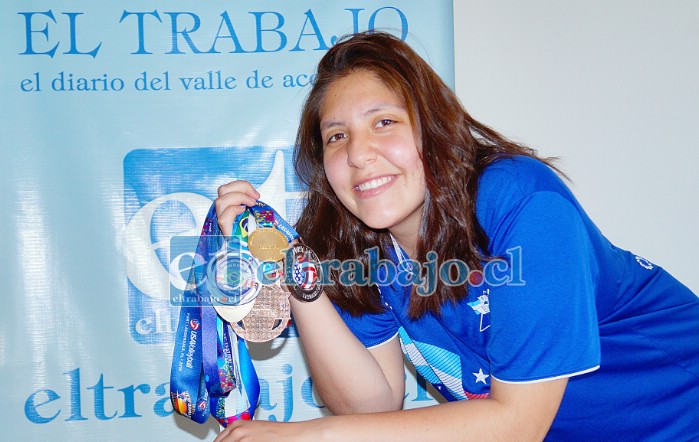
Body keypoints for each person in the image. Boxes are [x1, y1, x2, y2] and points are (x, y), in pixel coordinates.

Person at [213, 31, 699, 441]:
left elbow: (518, 423)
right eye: (336, 136)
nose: (359, 154)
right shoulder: (362, 245)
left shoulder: (520, 201)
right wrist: (294, 270)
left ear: (435, 129)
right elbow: (374, 405)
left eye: (384, 122)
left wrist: (306, 435)